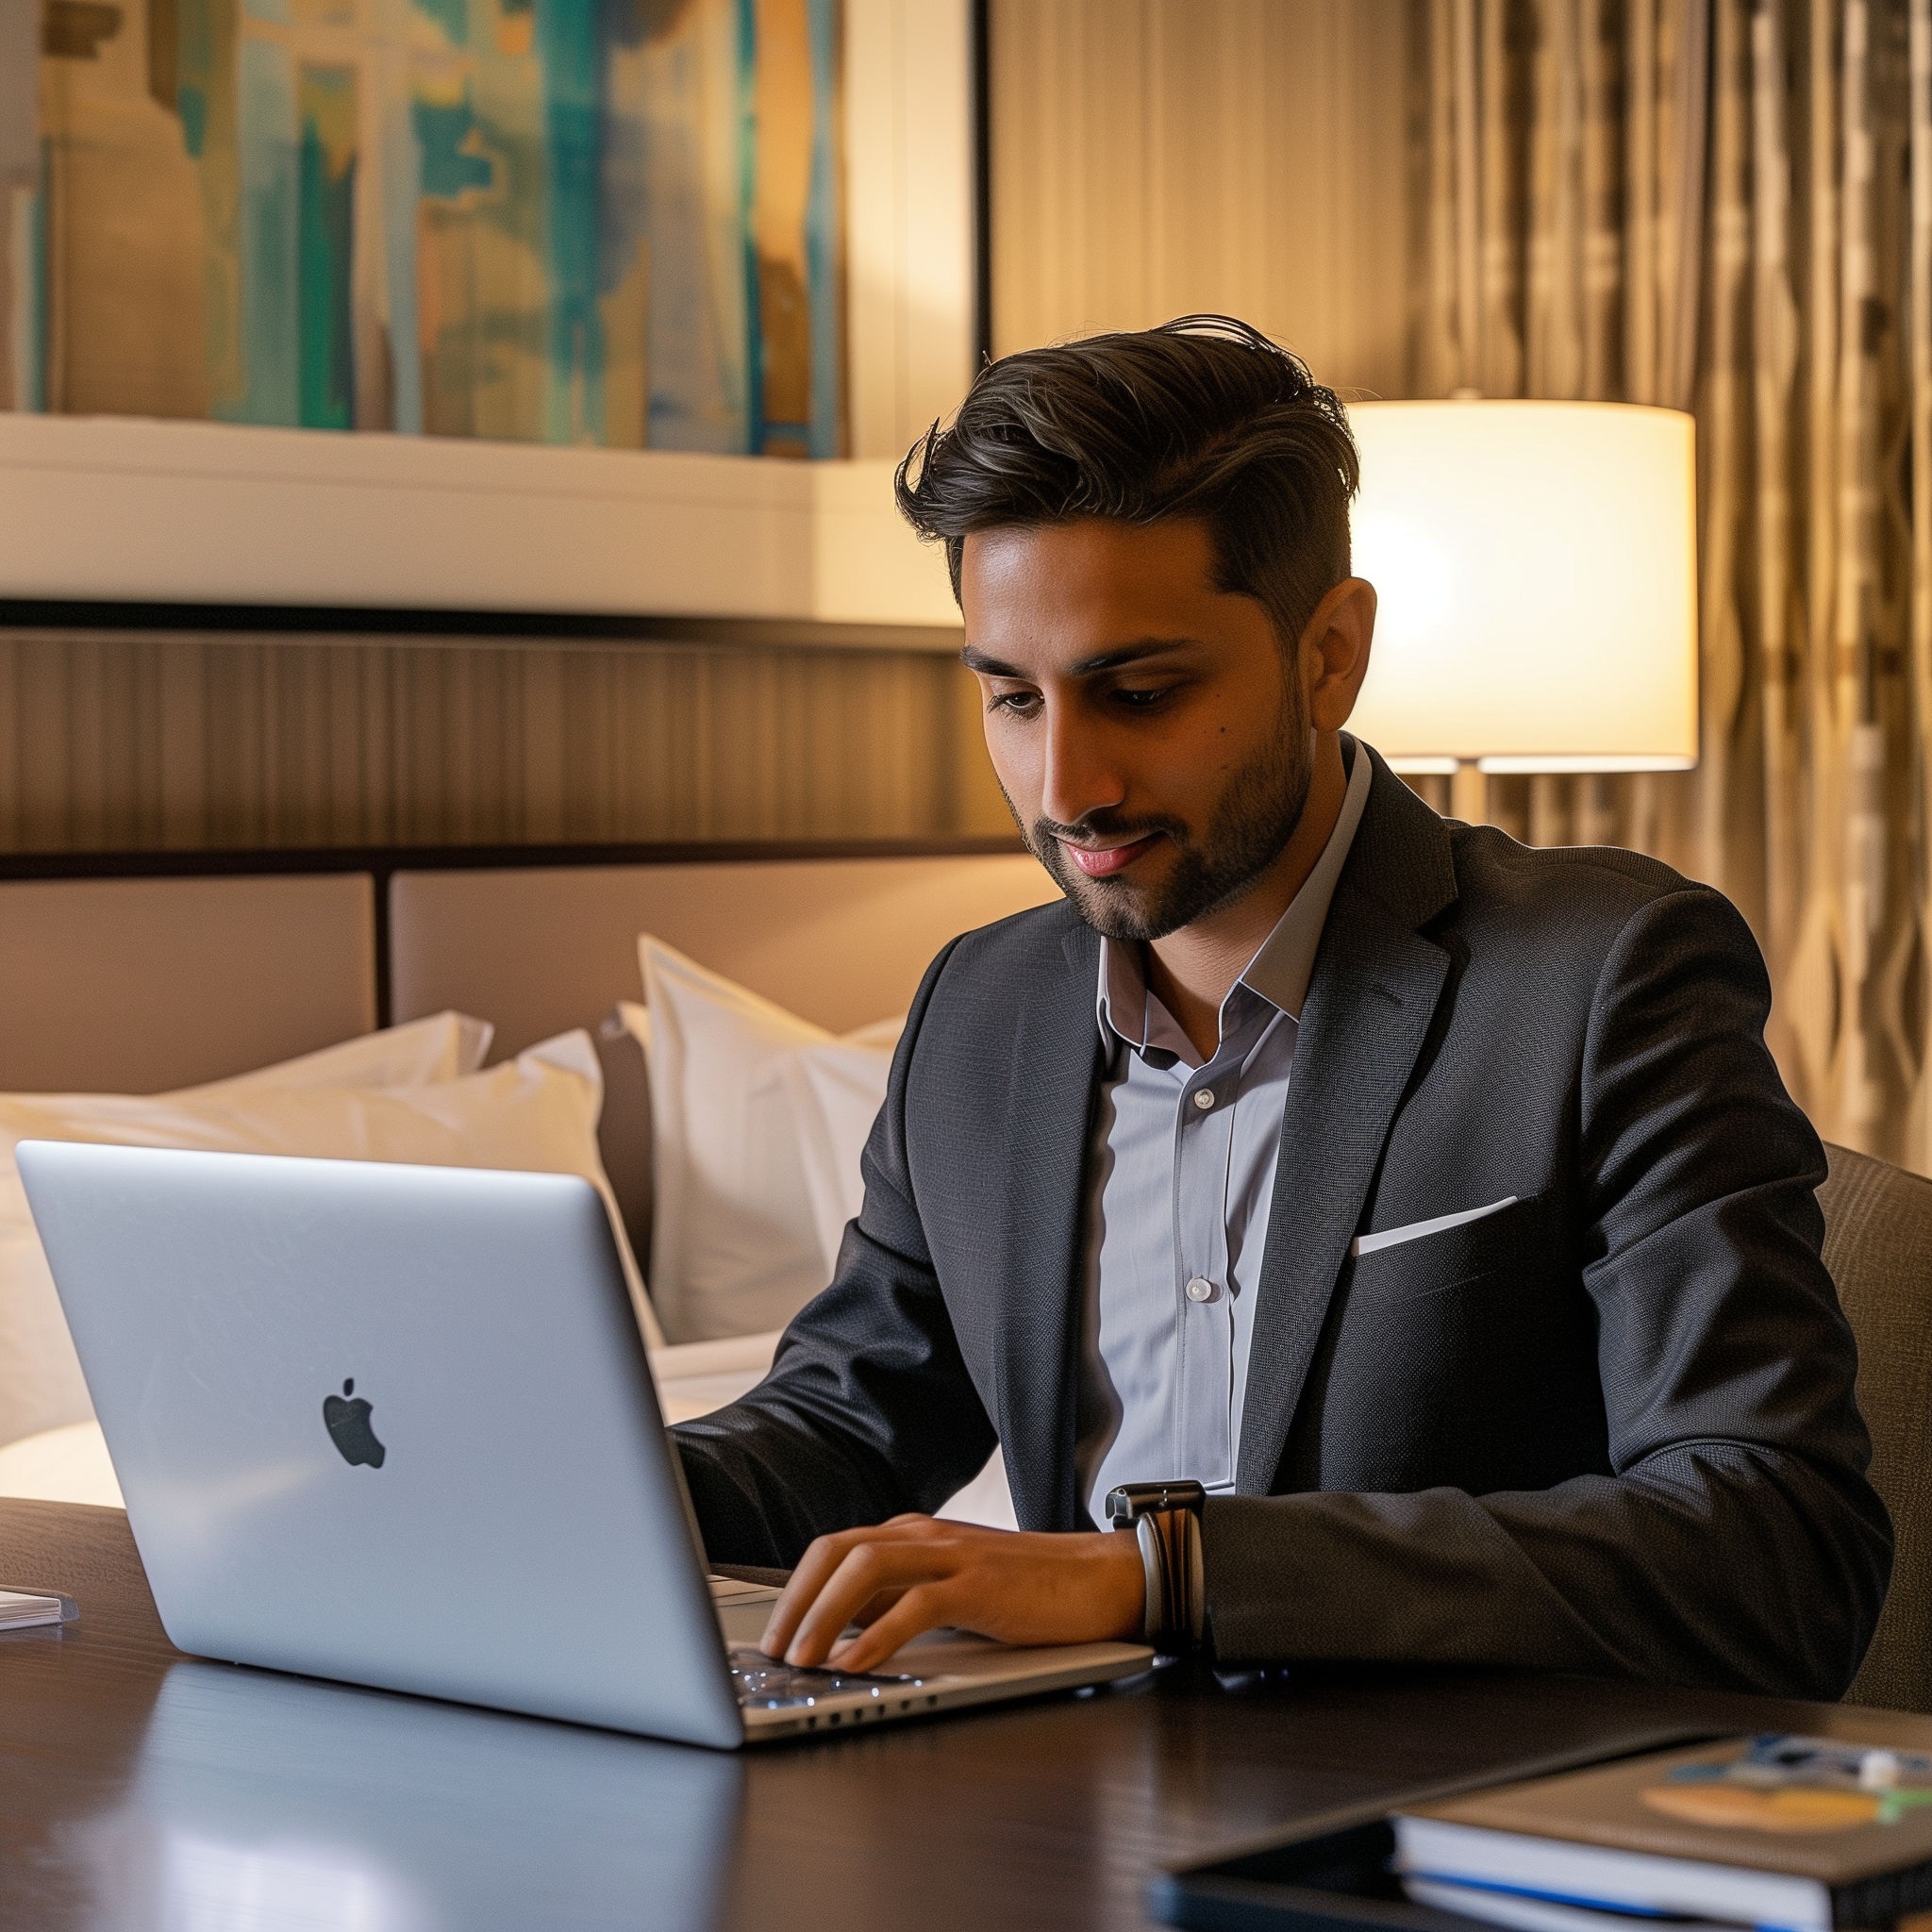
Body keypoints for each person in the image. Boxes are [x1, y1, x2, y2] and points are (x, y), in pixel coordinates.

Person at [674, 315, 1890, 1699]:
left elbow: (1778, 1551)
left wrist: (1161, 1579)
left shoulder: (1605, 975)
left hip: (1438, 1839)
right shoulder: (982, 1007)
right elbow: (846, 1420)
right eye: (1012, 698)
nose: (1065, 783)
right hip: (1063, 1815)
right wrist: (565, 1482)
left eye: (1138, 691)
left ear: (1330, 654)